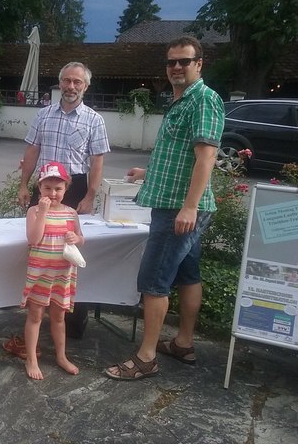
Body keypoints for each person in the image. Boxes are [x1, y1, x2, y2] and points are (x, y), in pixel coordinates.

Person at [105, 36, 224, 380]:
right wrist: (148, 171)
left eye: (184, 61)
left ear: (199, 64)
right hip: (177, 204)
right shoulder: (181, 101)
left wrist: (189, 207)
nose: (176, 67)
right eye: (171, 62)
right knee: (188, 274)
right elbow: (180, 154)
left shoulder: (203, 100)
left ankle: (146, 358)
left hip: (179, 210)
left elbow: (207, 158)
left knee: (154, 280)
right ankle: (183, 343)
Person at [13, 61, 110, 345]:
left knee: (70, 255)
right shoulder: (43, 115)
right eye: (66, 81)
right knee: (39, 246)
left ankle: (70, 321)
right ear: (59, 83)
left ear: (86, 86)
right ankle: (36, 314)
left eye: (77, 82)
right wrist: (23, 185)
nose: (71, 87)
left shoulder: (94, 120)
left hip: (75, 187)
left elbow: (97, 162)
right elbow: (32, 150)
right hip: (45, 186)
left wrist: (90, 195)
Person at [21, 161, 85, 380]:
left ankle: (61, 356)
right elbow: (33, 238)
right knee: (36, 315)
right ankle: (31, 358)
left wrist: (76, 238)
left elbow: (80, 237)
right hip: (41, 272)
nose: (53, 193)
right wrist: (43, 212)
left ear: (66, 188)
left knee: (59, 316)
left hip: (63, 273)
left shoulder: (71, 213)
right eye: (48, 188)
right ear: (40, 188)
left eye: (58, 188)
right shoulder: (34, 211)